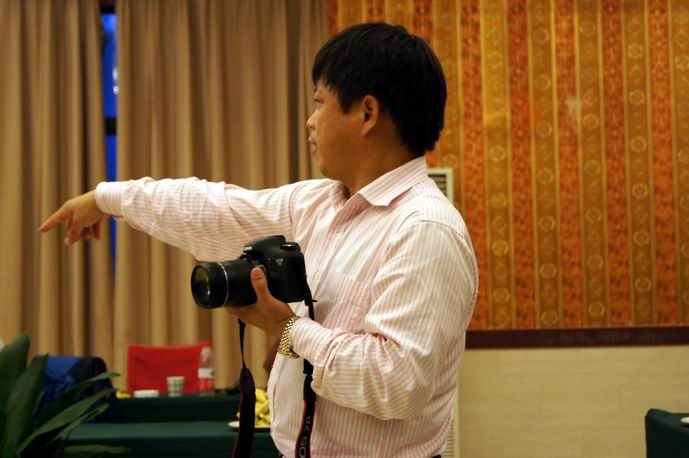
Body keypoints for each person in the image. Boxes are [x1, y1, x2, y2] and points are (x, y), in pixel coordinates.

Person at [40, 23, 477, 457]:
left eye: (320, 103)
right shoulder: (319, 204)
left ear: (367, 113)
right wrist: (108, 199)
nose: (310, 121)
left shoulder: (424, 229)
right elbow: (216, 208)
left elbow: (396, 384)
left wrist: (287, 329)